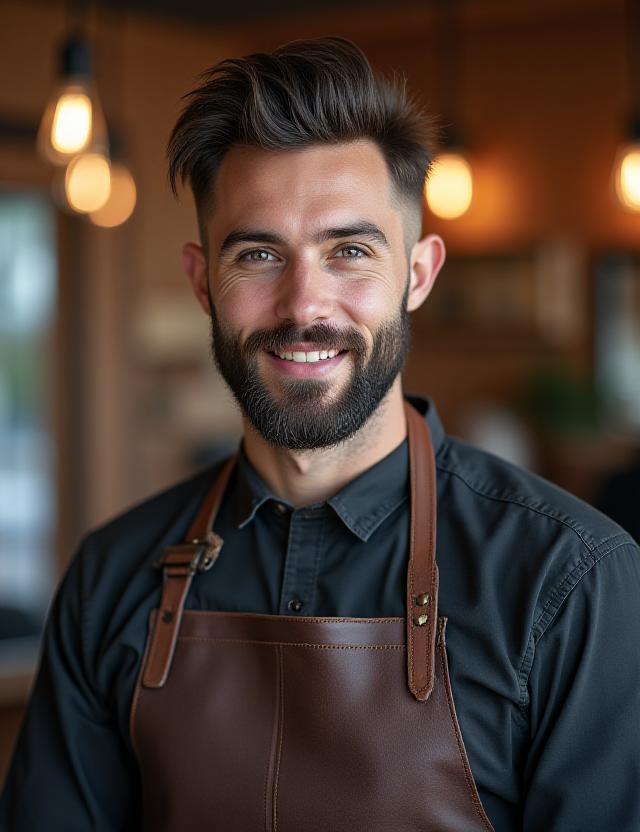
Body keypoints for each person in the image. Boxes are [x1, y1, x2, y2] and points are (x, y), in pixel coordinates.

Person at [2, 37, 639, 832]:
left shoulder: (573, 579)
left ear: (418, 273)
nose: (305, 306)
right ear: (204, 282)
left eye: (349, 252)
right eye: (260, 254)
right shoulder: (111, 575)